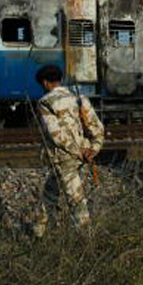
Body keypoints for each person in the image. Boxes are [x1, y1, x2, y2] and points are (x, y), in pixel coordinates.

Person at [33, 64, 104, 232]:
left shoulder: (45, 103)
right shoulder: (79, 98)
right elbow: (97, 128)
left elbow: (56, 135)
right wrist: (93, 149)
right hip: (81, 156)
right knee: (49, 194)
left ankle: (88, 244)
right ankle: (38, 232)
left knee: (77, 202)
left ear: (45, 83)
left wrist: (77, 151)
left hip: (63, 158)